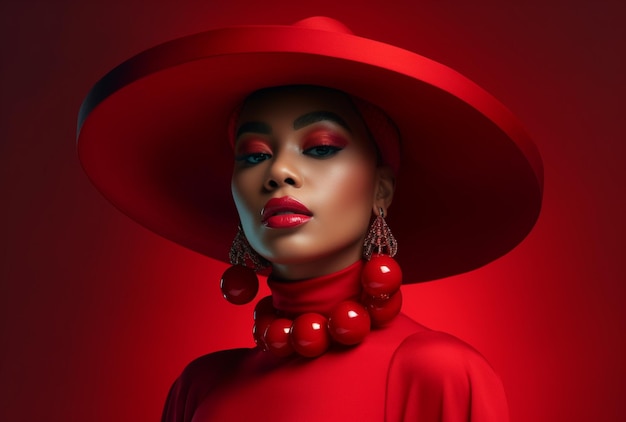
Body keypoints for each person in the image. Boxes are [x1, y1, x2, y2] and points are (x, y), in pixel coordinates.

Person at [77, 16, 543, 422]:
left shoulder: (437, 374)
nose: (279, 172)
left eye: (320, 148)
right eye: (254, 155)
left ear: (381, 187)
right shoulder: (199, 388)